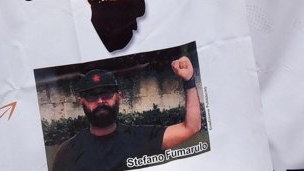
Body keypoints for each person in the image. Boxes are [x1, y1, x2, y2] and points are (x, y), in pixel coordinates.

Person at [52, 62, 202, 170]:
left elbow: (191, 127)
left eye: (106, 93)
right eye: (92, 96)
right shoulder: (68, 153)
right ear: (82, 102)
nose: (100, 101)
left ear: (119, 97)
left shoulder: (142, 138)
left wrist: (189, 81)